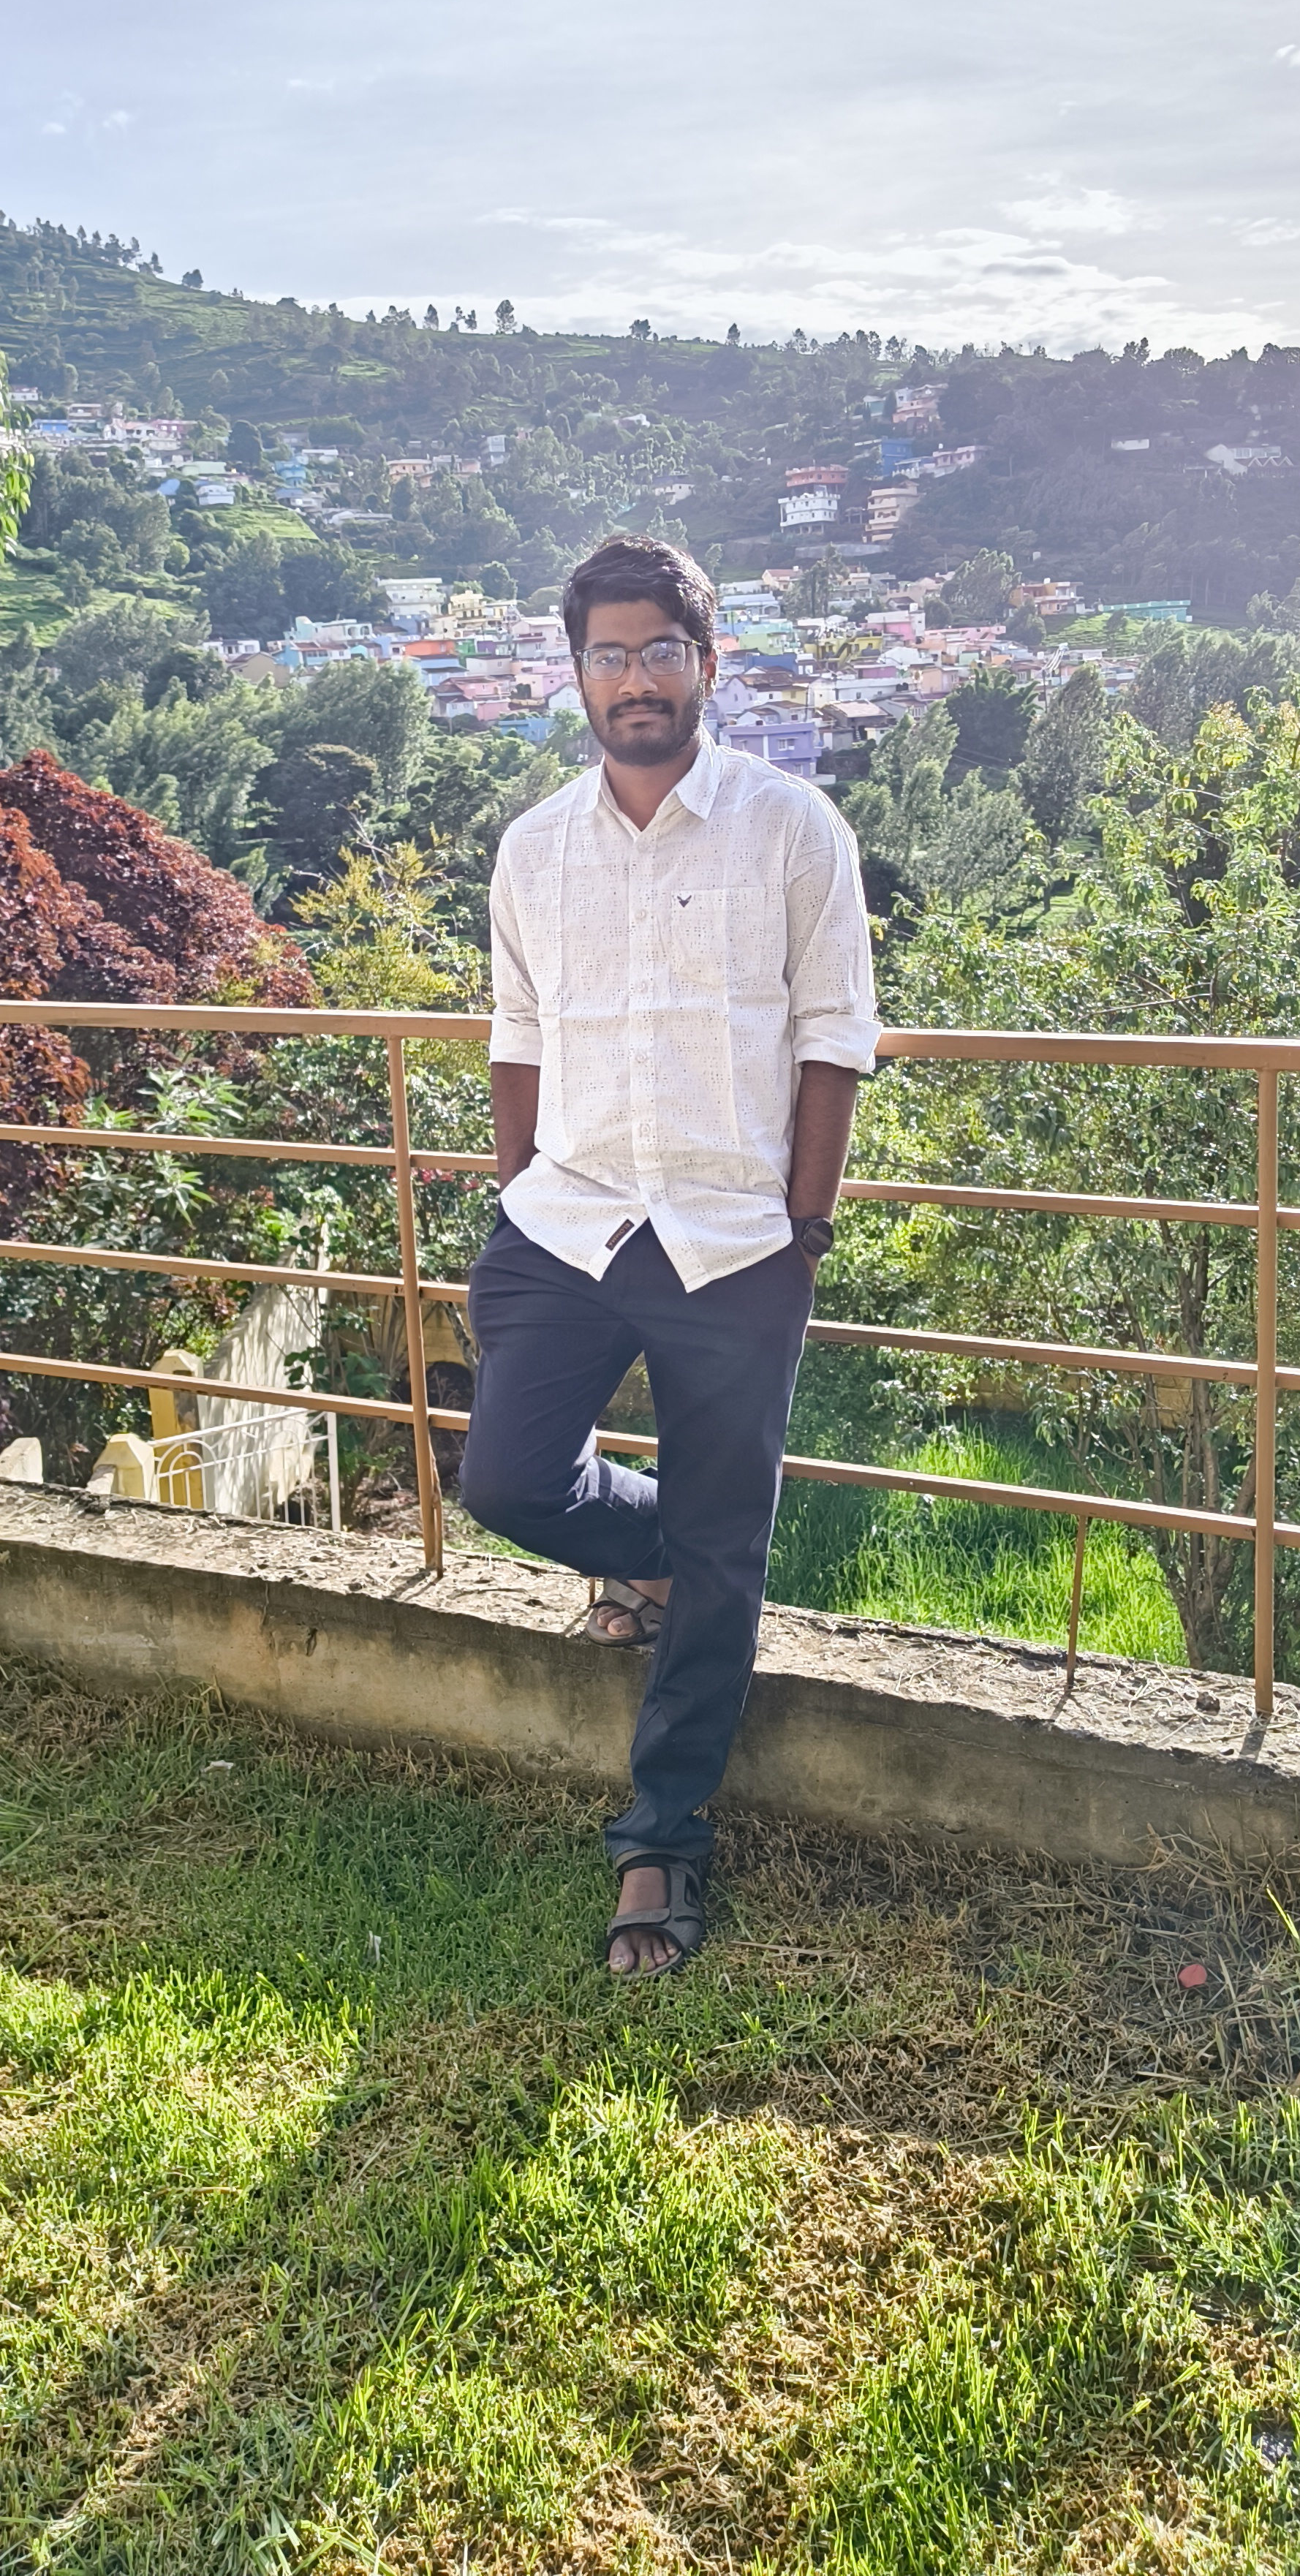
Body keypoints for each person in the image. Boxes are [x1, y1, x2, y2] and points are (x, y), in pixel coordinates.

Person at [458, 535, 880, 1976]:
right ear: (574, 673)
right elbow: (518, 1033)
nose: (632, 678)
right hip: (566, 1225)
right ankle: (672, 1562)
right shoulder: (534, 848)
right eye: (607, 655)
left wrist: (802, 1229)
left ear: (705, 663)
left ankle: (662, 1840)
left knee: (723, 1539)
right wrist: (516, 1186)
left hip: (734, 1241)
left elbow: (832, 1037)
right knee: (507, 1479)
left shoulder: (791, 829)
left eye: (657, 651)